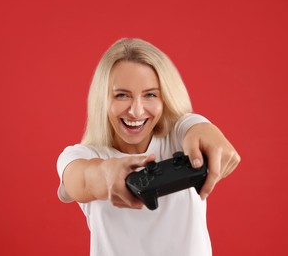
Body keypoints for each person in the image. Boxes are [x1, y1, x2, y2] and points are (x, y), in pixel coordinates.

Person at [56, 38, 240, 256]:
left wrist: (209, 136)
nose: (136, 111)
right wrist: (107, 174)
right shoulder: (81, 155)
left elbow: (198, 128)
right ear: (102, 100)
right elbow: (82, 179)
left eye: (150, 94)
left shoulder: (179, 134)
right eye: (121, 95)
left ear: (165, 99)